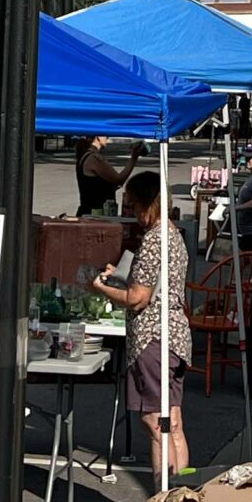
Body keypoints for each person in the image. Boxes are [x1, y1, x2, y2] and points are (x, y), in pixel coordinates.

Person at [93, 168, 191, 480]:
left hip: (153, 337)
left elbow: (138, 298)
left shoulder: (153, 240)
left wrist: (101, 288)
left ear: (149, 204)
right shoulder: (173, 235)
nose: (133, 213)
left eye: (134, 206)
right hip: (175, 334)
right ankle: (180, 499)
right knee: (172, 419)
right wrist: (125, 273)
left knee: (155, 422)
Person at [75, 132, 141, 218]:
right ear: (98, 137)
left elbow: (91, 186)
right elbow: (119, 179)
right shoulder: (95, 158)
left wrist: (108, 187)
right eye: (106, 136)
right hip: (96, 214)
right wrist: (134, 158)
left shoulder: (85, 156)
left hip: (87, 212)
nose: (108, 138)